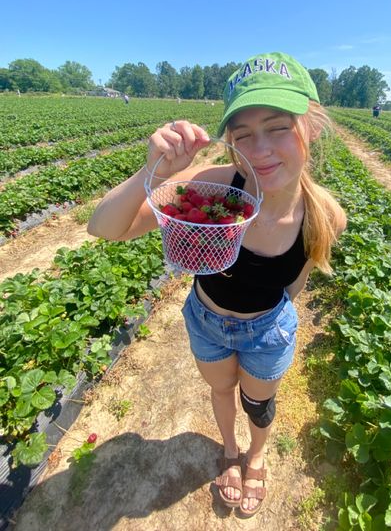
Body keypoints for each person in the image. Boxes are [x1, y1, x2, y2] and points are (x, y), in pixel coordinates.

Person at [87, 51, 347, 518]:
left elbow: (294, 287)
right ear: (229, 142)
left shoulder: (324, 216)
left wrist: (269, 318)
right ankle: (230, 451)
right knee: (222, 390)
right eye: (243, 134)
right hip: (207, 320)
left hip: (268, 328)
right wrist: (155, 172)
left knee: (259, 401)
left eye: (278, 126)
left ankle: (257, 454)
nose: (260, 148)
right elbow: (106, 227)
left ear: (311, 127)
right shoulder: (213, 186)